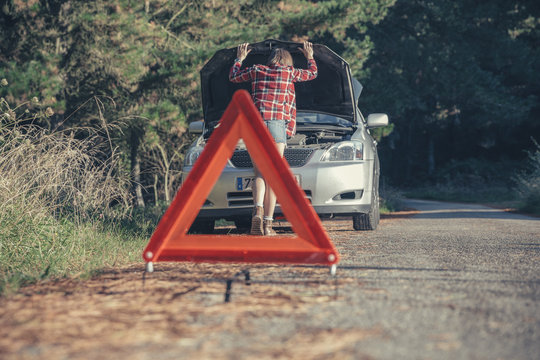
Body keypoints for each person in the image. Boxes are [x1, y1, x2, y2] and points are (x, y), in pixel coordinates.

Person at [229, 41, 318, 236]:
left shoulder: (257, 70)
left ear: (270, 60)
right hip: (276, 127)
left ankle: (257, 211)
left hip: (256, 126)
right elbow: (313, 73)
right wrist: (310, 56)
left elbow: (233, 76)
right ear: (287, 61)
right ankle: (268, 225)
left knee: (259, 173)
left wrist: (239, 59)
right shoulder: (289, 73)